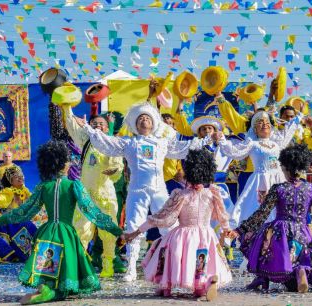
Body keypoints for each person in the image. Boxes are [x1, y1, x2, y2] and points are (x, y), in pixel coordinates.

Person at [73, 98, 202, 282]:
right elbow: (106, 142)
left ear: (153, 123)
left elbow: (183, 147)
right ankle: (131, 268)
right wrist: (87, 127)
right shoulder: (129, 143)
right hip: (137, 190)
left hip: (158, 190)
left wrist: (204, 141)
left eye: (148, 119)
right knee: (133, 225)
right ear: (135, 123)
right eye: (141, 119)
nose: (144, 121)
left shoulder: (161, 143)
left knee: (169, 224)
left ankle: (175, 264)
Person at [0, 140, 123, 305]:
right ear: (64, 164)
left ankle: (47, 289)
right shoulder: (73, 185)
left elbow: (26, 210)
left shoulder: (43, 186)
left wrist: (2, 218)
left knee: (47, 262)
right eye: (68, 160)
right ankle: (53, 292)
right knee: (66, 260)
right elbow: (91, 210)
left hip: (48, 230)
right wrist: (115, 229)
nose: (70, 163)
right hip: (66, 232)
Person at [226, 145, 312, 292]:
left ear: (285, 168)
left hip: (280, 233)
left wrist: (241, 230)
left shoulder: (278, 188)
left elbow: (262, 214)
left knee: (260, 242)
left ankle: (263, 277)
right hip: (303, 233)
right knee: (295, 267)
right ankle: (301, 270)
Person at [124, 149, 232, 301]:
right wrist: (227, 230)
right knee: (202, 259)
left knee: (167, 251)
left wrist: (136, 232)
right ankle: (203, 286)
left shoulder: (180, 195)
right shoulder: (212, 193)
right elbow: (222, 215)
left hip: (183, 234)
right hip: (206, 235)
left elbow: (163, 218)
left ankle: (165, 287)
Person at [62, 106, 125, 278]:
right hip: (86, 195)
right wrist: (67, 107)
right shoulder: (86, 141)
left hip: (106, 195)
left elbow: (118, 166)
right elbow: (72, 126)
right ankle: (78, 267)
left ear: (107, 127)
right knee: (81, 229)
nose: (97, 125)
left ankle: (108, 265)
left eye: (101, 123)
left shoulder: (113, 143)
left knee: (108, 232)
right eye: (94, 123)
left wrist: (114, 170)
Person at [0, 166, 37, 262]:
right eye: (16, 177)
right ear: (10, 181)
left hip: (22, 220)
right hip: (10, 221)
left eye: (21, 176)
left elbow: (34, 202)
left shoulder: (25, 190)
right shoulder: (8, 191)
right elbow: (0, 200)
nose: (20, 178)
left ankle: (30, 253)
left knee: (32, 228)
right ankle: (13, 254)